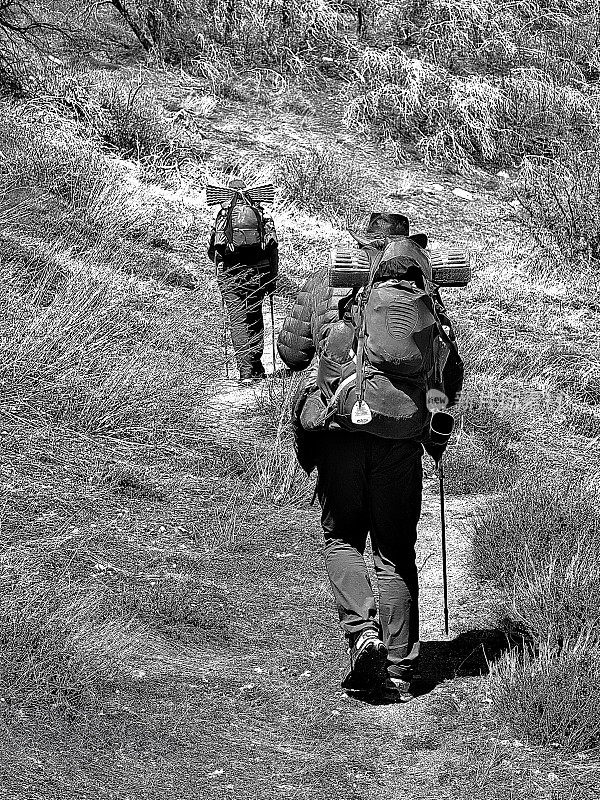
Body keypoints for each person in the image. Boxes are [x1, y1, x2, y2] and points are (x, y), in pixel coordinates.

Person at [277, 212, 464, 701]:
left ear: (365, 243)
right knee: (395, 551)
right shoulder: (425, 297)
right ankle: (402, 664)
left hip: (338, 433)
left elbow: (293, 354)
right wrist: (432, 434)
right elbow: (446, 377)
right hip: (398, 443)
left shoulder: (334, 280)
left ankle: (363, 633)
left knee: (341, 538)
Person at [207, 179, 279, 385]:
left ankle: (245, 372)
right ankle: (257, 366)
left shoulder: (223, 216)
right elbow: (273, 251)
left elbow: (214, 251)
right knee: (255, 317)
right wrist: (272, 279)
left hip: (230, 276)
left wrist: (222, 272)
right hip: (258, 274)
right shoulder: (263, 216)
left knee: (238, 321)